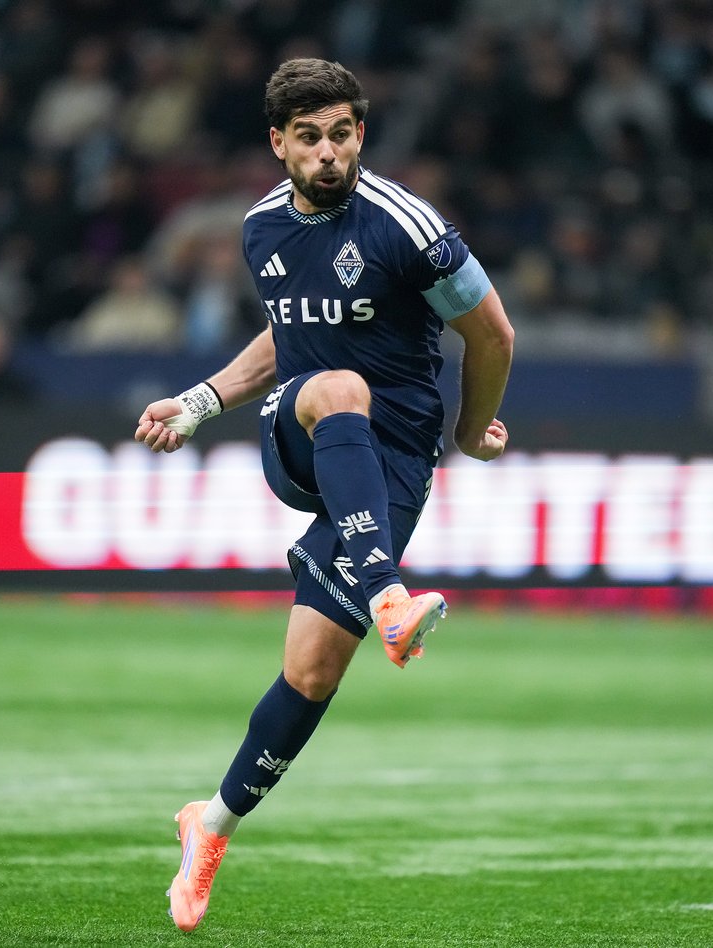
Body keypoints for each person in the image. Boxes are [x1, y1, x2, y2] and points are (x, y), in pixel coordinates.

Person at [134, 58, 515, 933]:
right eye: (309, 137)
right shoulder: (262, 227)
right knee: (336, 384)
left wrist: (468, 430)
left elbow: (490, 334)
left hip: (395, 465)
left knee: (309, 671)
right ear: (278, 144)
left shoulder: (410, 228)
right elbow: (287, 335)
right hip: (302, 430)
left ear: (360, 135)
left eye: (342, 133)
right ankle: (390, 597)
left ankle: (210, 825)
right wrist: (200, 402)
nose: (329, 152)